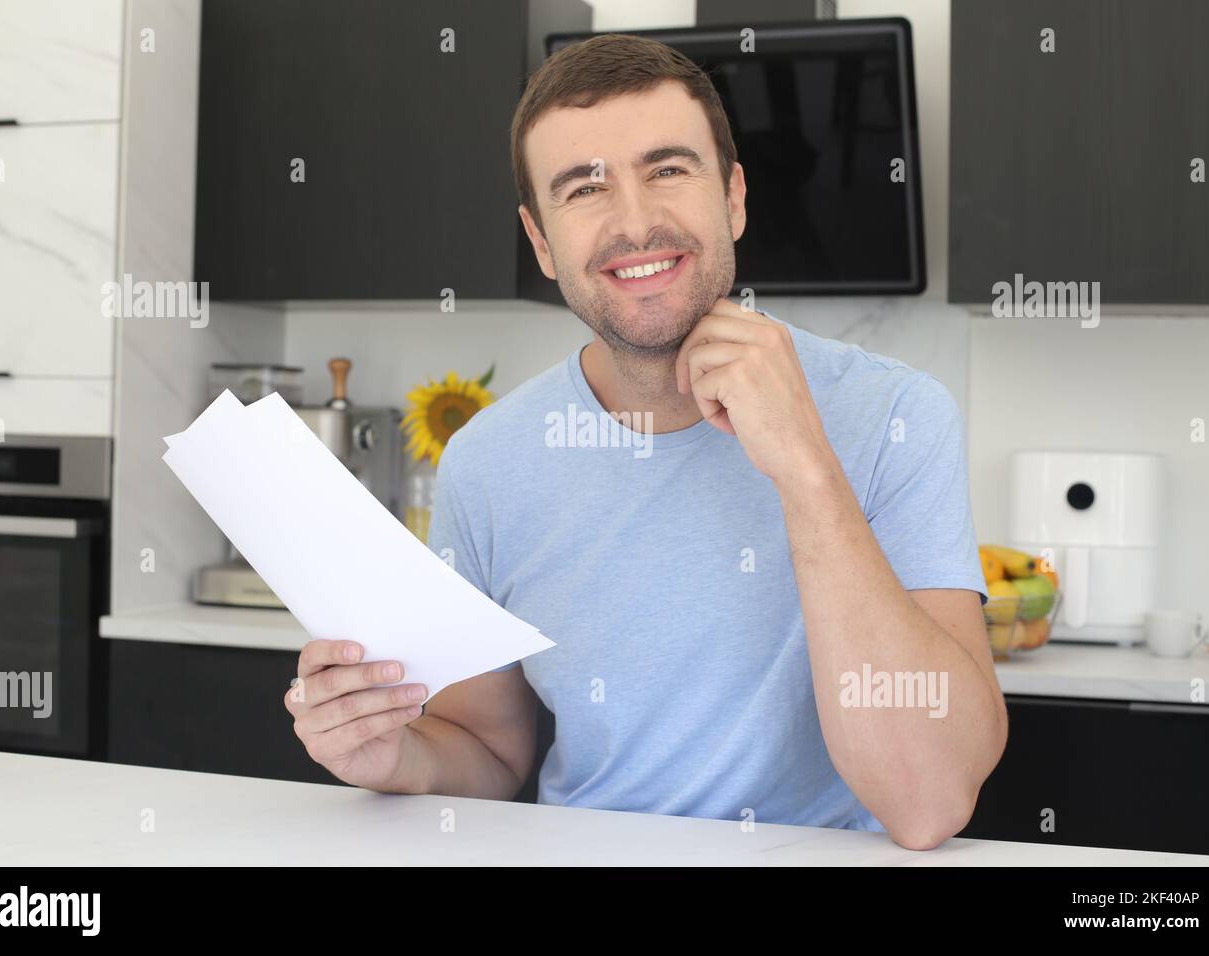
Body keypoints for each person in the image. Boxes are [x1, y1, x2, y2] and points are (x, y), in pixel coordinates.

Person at [286, 34, 1004, 850]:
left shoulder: (898, 415)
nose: (635, 221)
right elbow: (487, 749)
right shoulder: (487, 463)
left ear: (733, 196)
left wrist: (805, 468)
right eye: (584, 187)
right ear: (542, 243)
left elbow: (930, 801)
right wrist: (395, 755)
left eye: (668, 169)